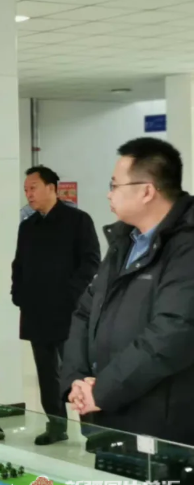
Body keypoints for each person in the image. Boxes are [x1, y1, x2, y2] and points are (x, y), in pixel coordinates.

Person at [62, 137, 194, 446]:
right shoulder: (125, 240)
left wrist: (102, 390)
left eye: (114, 185)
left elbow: (172, 332)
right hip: (108, 413)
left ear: (147, 191)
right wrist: (76, 380)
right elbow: (85, 311)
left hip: (162, 425)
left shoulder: (186, 247)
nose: (109, 194)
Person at [12, 166, 100, 446]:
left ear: (52, 188)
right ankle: (56, 424)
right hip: (36, 311)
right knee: (46, 373)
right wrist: (18, 294)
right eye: (26, 189)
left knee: (77, 371)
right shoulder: (28, 226)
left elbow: (91, 261)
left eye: (33, 188)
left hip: (69, 311)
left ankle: (92, 430)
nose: (29, 194)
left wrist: (70, 294)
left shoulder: (78, 220)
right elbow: (19, 264)